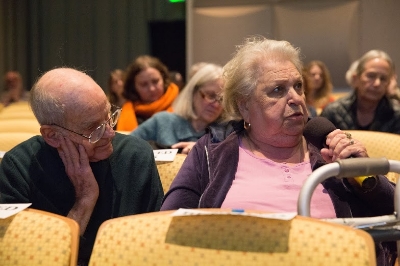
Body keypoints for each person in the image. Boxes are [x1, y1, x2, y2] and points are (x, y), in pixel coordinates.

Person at [160, 37, 395, 264]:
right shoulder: (212, 151)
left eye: (298, 86)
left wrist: (367, 179)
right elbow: (167, 225)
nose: (295, 98)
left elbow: (394, 214)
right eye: (277, 90)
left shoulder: (328, 147)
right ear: (245, 106)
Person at [0, 67, 163, 265]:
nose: (110, 133)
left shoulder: (135, 155)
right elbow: (30, 259)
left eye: (109, 116)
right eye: (94, 129)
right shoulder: (19, 167)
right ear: (52, 135)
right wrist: (84, 202)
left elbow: (156, 247)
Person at [130, 63, 224, 154]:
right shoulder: (163, 121)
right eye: (210, 96)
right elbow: (125, 146)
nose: (216, 105)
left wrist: (204, 150)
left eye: (222, 99)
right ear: (193, 93)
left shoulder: (230, 131)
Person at [321, 50, 400, 133]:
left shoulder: (397, 116)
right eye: (371, 76)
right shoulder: (333, 112)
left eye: (383, 78)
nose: (377, 83)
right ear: (356, 79)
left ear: (388, 83)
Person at [116, 55, 180, 131]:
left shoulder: (181, 105)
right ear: (133, 87)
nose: (152, 89)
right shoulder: (123, 114)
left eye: (155, 81)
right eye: (144, 84)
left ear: (164, 79)